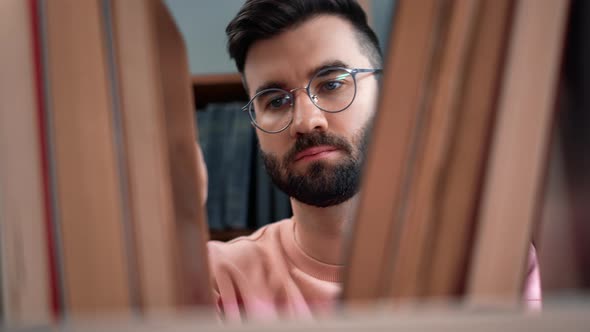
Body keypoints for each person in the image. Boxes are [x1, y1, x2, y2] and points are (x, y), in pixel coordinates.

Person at [203, 0, 541, 321]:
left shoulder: (492, 262)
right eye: (274, 101)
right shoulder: (215, 277)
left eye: (332, 83)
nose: (306, 121)